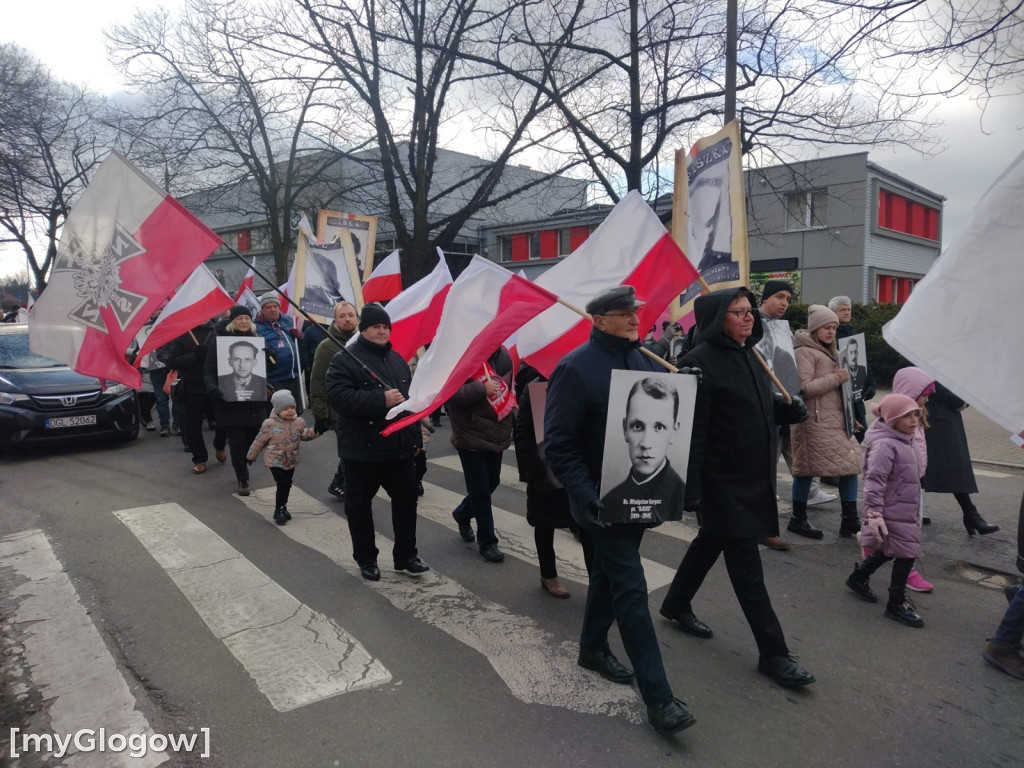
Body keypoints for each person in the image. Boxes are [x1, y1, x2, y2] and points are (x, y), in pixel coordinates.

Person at [544, 284, 697, 734]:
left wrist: (691, 388)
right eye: (623, 312)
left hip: (639, 499)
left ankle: (592, 648)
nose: (634, 318)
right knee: (631, 586)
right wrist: (585, 494)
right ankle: (659, 697)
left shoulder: (646, 360)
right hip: (598, 503)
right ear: (599, 319)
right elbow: (559, 444)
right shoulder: (575, 369)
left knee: (609, 579)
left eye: (635, 311)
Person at [659, 287, 816, 689]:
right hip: (722, 483)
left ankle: (676, 603)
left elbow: (755, 407)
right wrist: (690, 490)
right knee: (748, 570)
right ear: (716, 320)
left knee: (710, 543)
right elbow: (690, 434)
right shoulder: (697, 364)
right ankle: (774, 654)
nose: (749, 318)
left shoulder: (751, 355)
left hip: (753, 476)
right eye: (738, 312)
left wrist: (787, 409)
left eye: (750, 311)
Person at [325, 303, 429, 581]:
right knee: (359, 508)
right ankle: (366, 558)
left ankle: (406, 556)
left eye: (385, 327)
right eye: (375, 327)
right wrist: (379, 400)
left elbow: (408, 403)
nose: (382, 331)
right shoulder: (345, 359)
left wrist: (414, 436)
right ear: (364, 329)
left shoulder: (396, 359)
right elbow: (339, 399)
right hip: (362, 450)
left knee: (406, 503)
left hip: (399, 448)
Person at [756, 282, 835, 546]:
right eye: (779, 296)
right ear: (765, 298)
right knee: (764, 469)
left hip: (786, 405)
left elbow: (785, 365)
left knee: (796, 461)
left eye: (788, 298)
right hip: (763, 409)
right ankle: (761, 527)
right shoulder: (753, 325)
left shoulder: (781, 329)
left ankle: (798, 507)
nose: (785, 302)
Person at [844, 394, 926, 628]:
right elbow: (874, 481)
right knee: (907, 552)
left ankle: (858, 577)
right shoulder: (884, 445)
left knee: (889, 549)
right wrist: (875, 514)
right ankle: (896, 604)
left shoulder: (905, 440)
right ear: (892, 419)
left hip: (903, 508)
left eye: (915, 415)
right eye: (906, 416)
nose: (913, 420)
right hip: (889, 509)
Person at [513, 363, 589, 599]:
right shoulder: (533, 389)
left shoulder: (580, 383)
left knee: (587, 526)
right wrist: (535, 473)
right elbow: (523, 435)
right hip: (545, 469)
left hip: (576, 467)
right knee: (545, 524)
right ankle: (549, 574)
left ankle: (598, 576)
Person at [787, 304, 862, 539]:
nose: (831, 332)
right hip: (812, 421)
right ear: (815, 329)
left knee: (850, 468)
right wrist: (836, 377)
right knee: (806, 471)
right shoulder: (804, 351)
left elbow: (843, 391)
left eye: (833, 327)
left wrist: (853, 417)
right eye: (826, 328)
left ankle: (850, 519)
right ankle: (798, 518)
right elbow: (804, 388)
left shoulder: (834, 352)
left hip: (837, 422)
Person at [448, 345, 517, 563]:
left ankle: (462, 513)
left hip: (497, 431)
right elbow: (449, 395)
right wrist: (481, 389)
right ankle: (488, 542)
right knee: (480, 491)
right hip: (470, 435)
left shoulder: (505, 355)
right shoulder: (462, 355)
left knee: (492, 482)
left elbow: (510, 388)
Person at [600, 377, 686, 524]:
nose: (646, 443)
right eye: (638, 426)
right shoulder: (609, 499)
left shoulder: (679, 494)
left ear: (674, 431)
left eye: (659, 427)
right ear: (625, 428)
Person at [203, 305, 270, 496]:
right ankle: (243, 478)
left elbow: (267, 371)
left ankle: (242, 461)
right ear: (232, 321)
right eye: (239, 318)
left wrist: (270, 357)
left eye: (247, 318)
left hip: (254, 403)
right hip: (229, 402)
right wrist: (213, 389)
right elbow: (208, 369)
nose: (243, 321)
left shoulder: (257, 340)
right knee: (237, 443)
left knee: (252, 441)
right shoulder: (219, 342)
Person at [921, 381, 1000, 536]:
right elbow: (943, 391)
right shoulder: (933, 363)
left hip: (942, 418)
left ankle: (971, 515)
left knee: (948, 466)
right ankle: (971, 515)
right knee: (950, 466)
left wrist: (964, 399)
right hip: (935, 419)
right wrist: (961, 400)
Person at [885, 366, 938, 592]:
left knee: (902, 528)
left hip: (914, 483)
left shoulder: (916, 417)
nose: (927, 398)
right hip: (899, 487)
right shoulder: (897, 423)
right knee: (909, 531)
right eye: (924, 393)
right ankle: (908, 573)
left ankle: (871, 547)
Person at [309, 301, 359, 500]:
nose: (347, 319)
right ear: (335, 319)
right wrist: (320, 414)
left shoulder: (362, 341)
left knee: (357, 448)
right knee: (350, 450)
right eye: (342, 316)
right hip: (339, 410)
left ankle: (339, 482)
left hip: (362, 406)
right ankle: (346, 487)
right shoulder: (326, 346)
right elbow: (318, 380)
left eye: (351, 315)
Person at [247, 389, 319, 525]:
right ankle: (278, 510)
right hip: (275, 460)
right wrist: (251, 456)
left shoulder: (298, 422)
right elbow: (259, 441)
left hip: (291, 459)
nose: (290, 411)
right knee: (283, 483)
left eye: (292, 407)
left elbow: (305, 435)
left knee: (287, 484)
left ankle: (283, 507)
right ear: (277, 409)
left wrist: (318, 430)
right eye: (286, 408)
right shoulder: (269, 424)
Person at [165, 319, 222, 475]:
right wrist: (194, 356)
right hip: (192, 387)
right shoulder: (183, 335)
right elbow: (171, 362)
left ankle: (220, 444)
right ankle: (199, 458)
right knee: (193, 426)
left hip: (215, 385)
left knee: (222, 421)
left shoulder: (217, 332)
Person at [829, 296, 876, 444]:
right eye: (842, 309)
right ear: (832, 312)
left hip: (856, 394)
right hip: (839, 393)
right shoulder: (829, 335)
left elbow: (863, 361)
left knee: (862, 432)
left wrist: (870, 384)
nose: (847, 312)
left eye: (849, 309)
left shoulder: (852, 332)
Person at [255, 293, 302, 410]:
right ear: (262, 309)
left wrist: (300, 336)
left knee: (294, 412)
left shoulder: (288, 320)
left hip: (293, 376)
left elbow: (297, 342)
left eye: (275, 306)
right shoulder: (256, 327)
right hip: (274, 380)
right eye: (268, 307)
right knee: (279, 414)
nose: (273, 310)